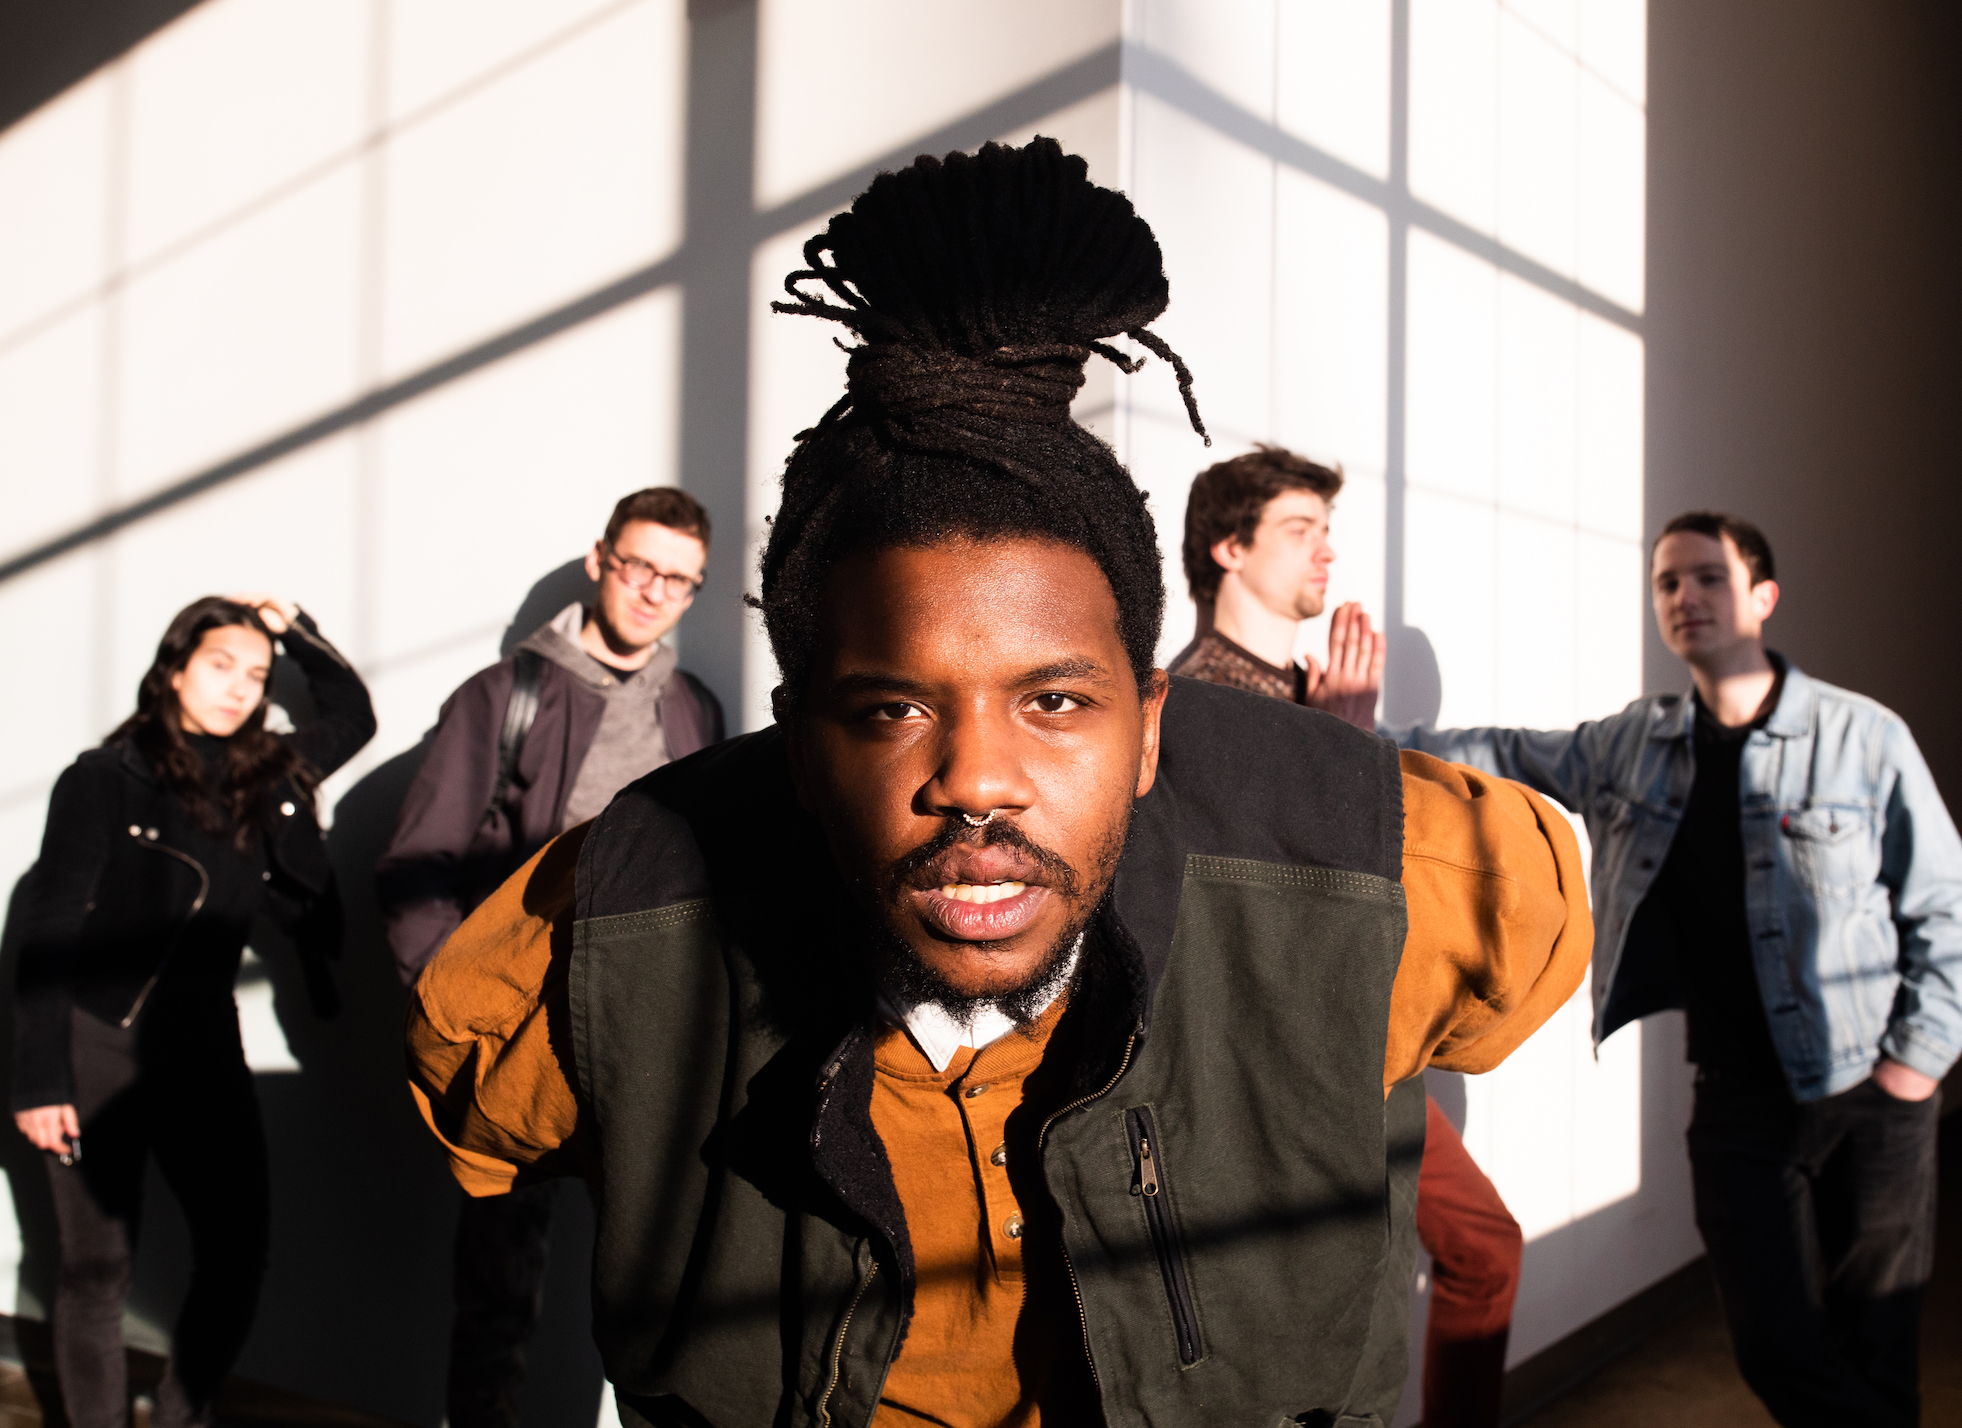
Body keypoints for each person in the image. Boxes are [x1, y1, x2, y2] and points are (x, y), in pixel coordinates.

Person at [404, 137, 1591, 1426]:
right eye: (893, 708)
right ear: (797, 747)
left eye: (1055, 702)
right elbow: (481, 1096)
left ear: (1149, 728)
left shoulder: (1394, 871)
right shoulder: (604, 941)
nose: (978, 783)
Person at [1345, 511, 1962, 1427]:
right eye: (1668, 582)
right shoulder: (1635, 744)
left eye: (1709, 577)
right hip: (1734, 1095)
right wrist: (1360, 741)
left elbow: (1951, 907)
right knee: (1772, 1347)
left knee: (1876, 1341)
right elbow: (1504, 753)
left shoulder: (1861, 736)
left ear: (1762, 598)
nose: (1685, 596)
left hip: (1868, 1092)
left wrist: (1912, 1067)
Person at [1170, 444, 1525, 1428]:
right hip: (1277, 1075)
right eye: (1299, 530)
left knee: (1479, 1250)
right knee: (1323, 1328)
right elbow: (1252, 916)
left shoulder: (1317, 694)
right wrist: (1336, 748)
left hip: (1365, 1048)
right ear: (1228, 547)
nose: (1325, 551)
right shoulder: (1191, 705)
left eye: (1327, 531)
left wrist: (1345, 740)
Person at [376, 485, 724, 1428]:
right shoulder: (505, 696)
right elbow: (416, 865)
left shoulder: (694, 708)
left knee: (658, 1288)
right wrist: (456, 1022)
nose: (654, 593)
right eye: (640, 566)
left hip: (650, 1042)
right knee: (499, 1288)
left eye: (680, 580)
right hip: (521, 1039)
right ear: (600, 560)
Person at [12, 595, 375, 1428]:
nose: (239, 688)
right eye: (220, 665)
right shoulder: (103, 779)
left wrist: (293, 631)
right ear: (174, 669)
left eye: (256, 675)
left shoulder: (269, 773)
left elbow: (353, 715)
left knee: (238, 1251)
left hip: (202, 1044)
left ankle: (180, 1419)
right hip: (101, 1041)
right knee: (97, 1270)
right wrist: (40, 1079)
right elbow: (51, 922)